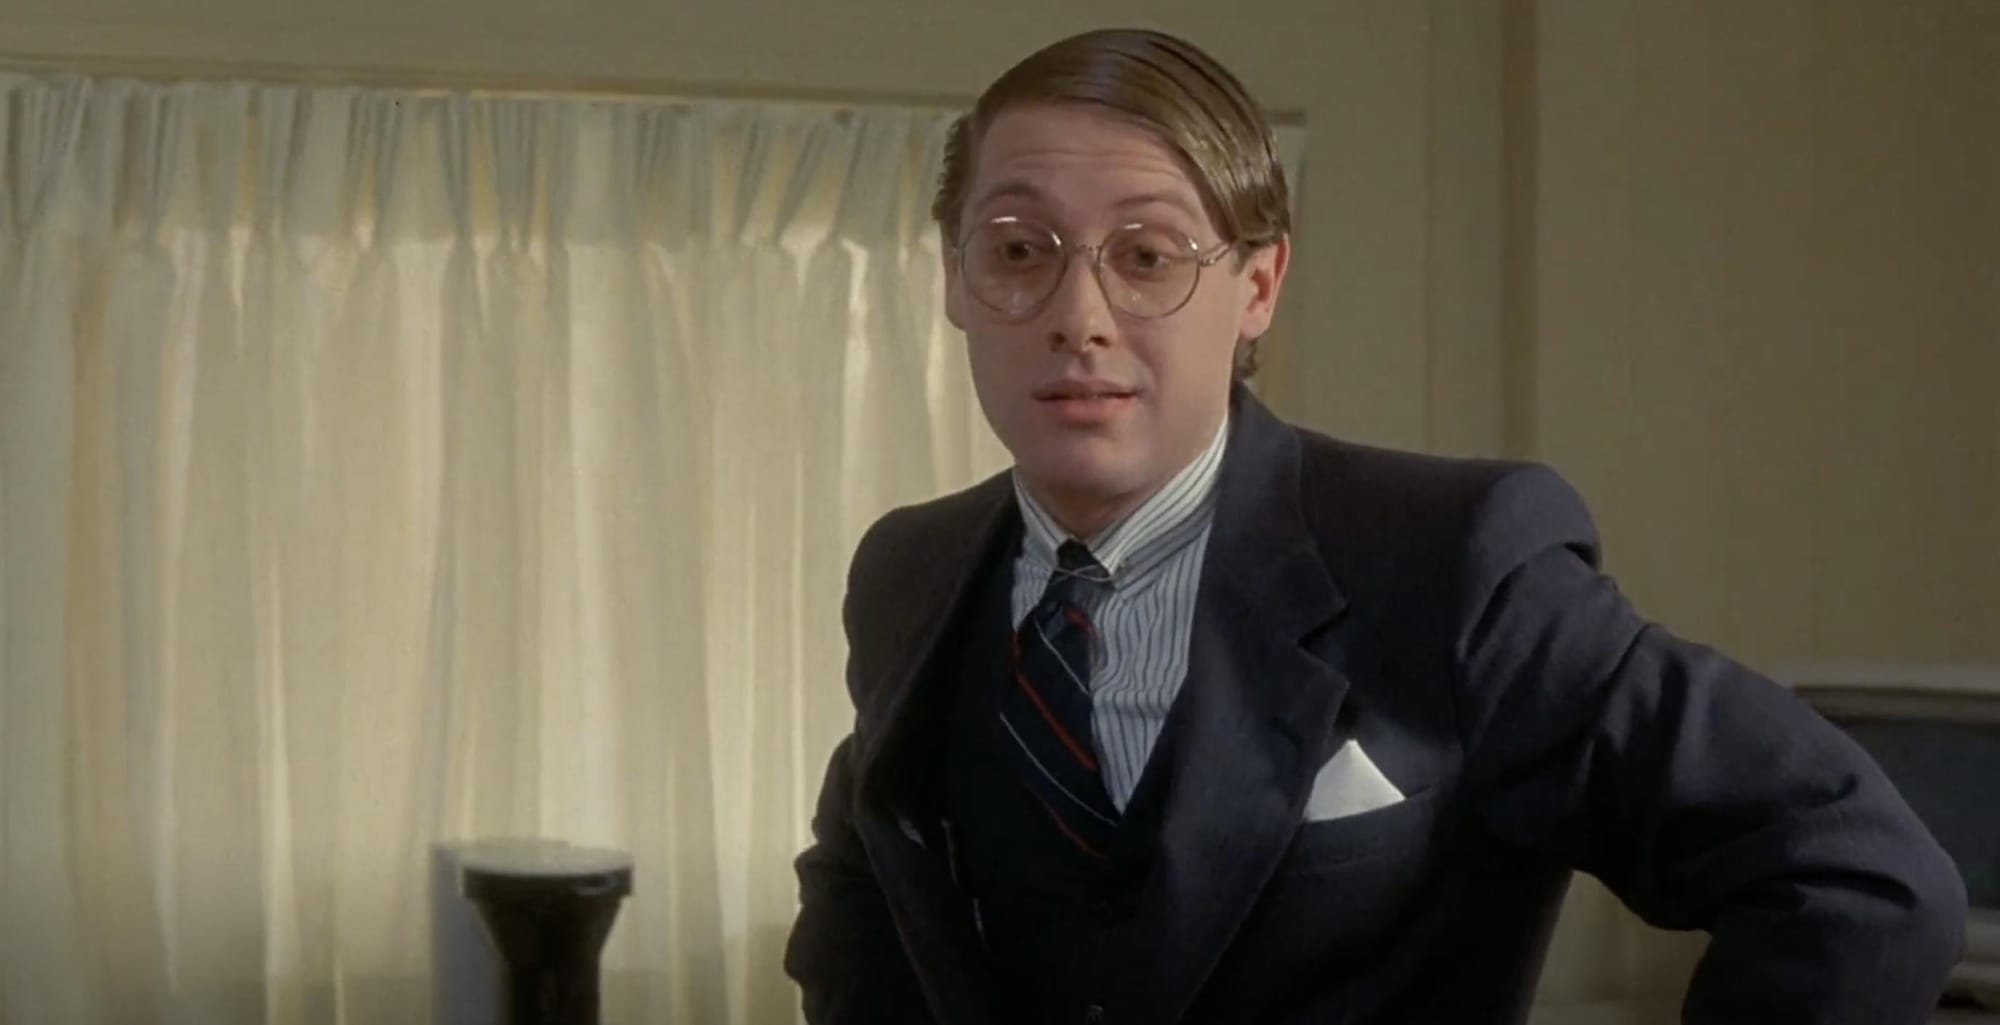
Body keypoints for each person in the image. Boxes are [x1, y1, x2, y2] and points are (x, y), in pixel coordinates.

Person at [783, 27, 1966, 1025]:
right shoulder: (909, 570)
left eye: (1146, 256)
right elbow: (866, 896)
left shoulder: (1452, 561)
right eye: (1016, 251)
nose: (1077, 314)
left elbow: (1857, 874)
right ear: (955, 279)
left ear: (1257, 286)